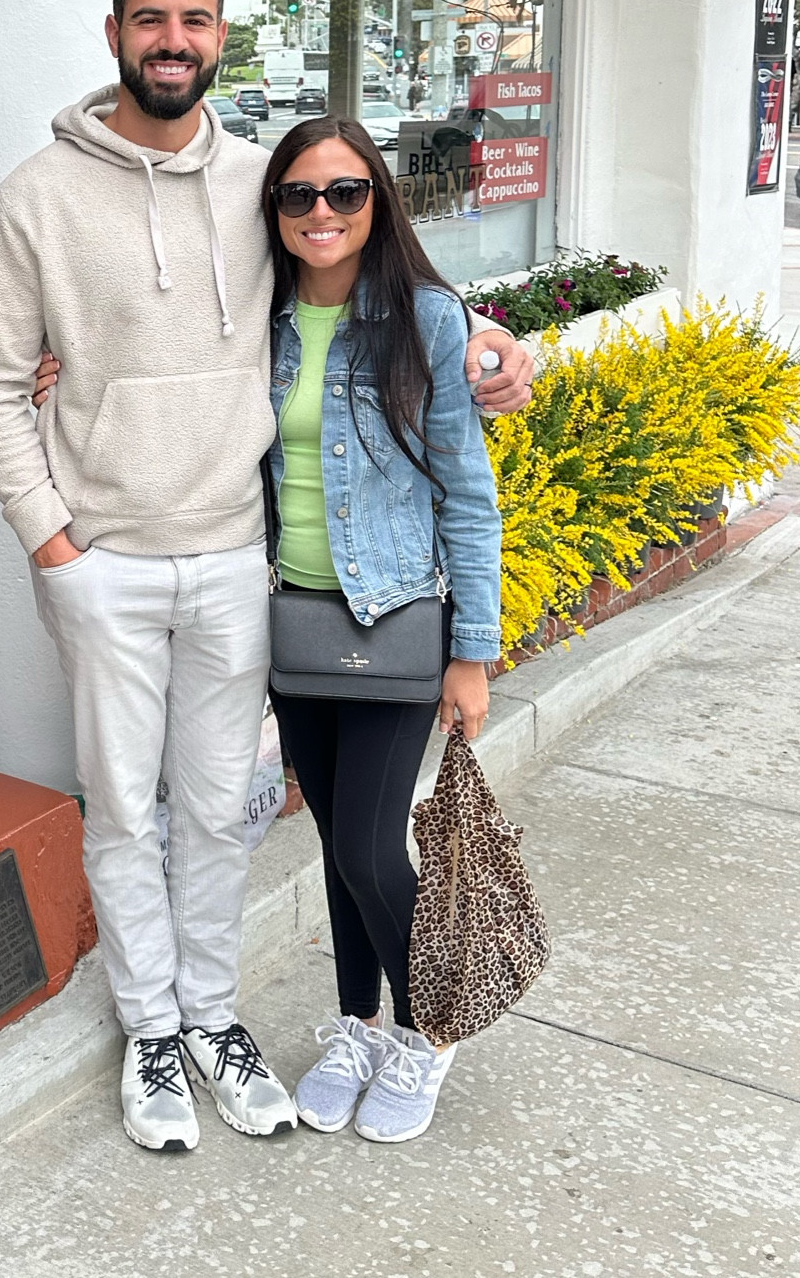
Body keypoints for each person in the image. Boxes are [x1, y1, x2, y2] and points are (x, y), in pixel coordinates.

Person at [0, 0, 534, 1154]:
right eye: (152, 20)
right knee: (123, 806)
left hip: (236, 559)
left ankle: (214, 1016)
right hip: (102, 555)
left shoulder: (257, 183)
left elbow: (353, 273)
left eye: (197, 21)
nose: (175, 42)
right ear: (116, 33)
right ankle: (151, 1028)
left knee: (222, 808)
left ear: (223, 35)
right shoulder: (34, 200)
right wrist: (51, 539)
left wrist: (485, 338)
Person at [261, 116, 501, 1144]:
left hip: (396, 618)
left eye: (346, 192)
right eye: (301, 195)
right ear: (274, 210)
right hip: (295, 624)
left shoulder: (428, 320)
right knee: (332, 835)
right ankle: (359, 1024)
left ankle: (430, 1029)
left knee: (370, 841)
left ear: (378, 201)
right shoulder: (257, 316)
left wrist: (473, 650)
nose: (323, 213)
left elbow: (468, 491)